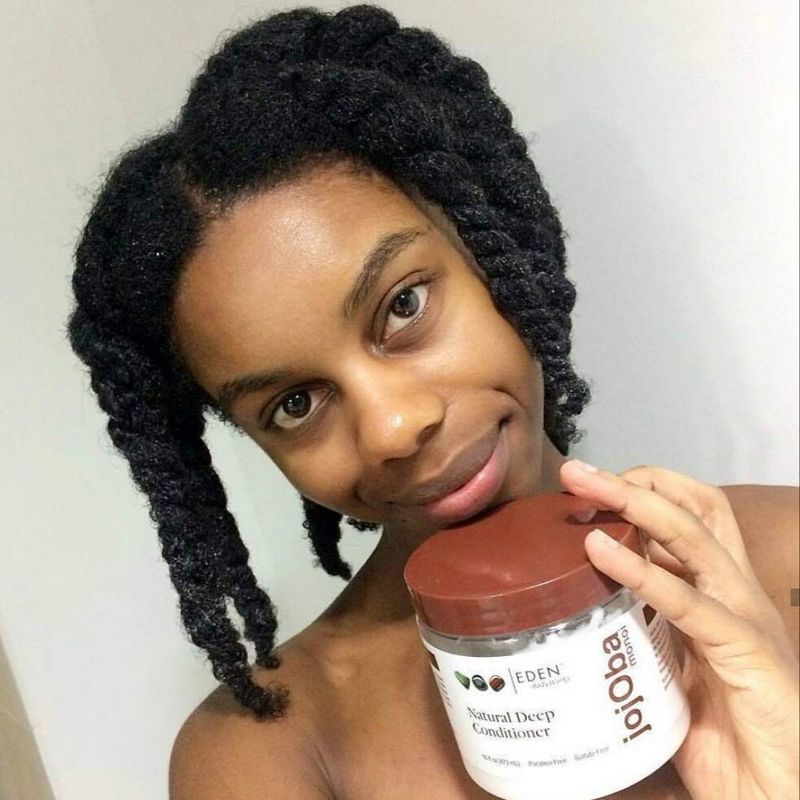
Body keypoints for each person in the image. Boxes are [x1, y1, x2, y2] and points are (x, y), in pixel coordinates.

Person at [66, 5, 798, 799]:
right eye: (295, 403)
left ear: (488, 247)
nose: (392, 427)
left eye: (403, 305)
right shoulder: (270, 750)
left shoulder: (785, 558)